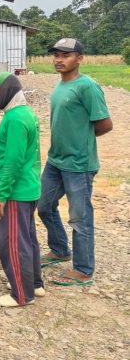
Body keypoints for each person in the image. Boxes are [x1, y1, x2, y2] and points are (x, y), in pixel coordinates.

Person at [38, 38, 112, 287]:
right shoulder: (60, 85)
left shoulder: (87, 86)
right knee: (44, 206)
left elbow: (105, 124)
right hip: (55, 161)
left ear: (79, 58)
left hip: (79, 165)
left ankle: (83, 270)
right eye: (56, 55)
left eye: (66, 55)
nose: (59, 60)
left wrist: (81, 141)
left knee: (80, 218)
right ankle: (60, 250)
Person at [0, 72, 45, 307]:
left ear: (5, 90)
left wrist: (1, 195)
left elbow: (14, 160)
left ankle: (22, 294)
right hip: (28, 188)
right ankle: (34, 284)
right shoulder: (23, 113)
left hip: (16, 192)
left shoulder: (16, 119)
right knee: (27, 240)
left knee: (12, 242)